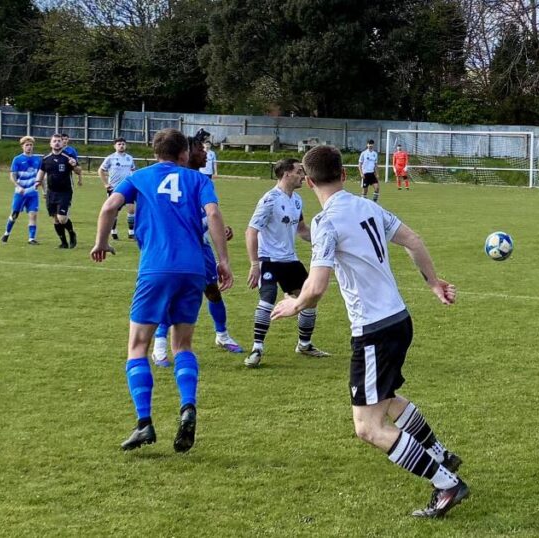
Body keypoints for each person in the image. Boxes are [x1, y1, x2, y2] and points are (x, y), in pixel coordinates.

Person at [271, 145, 468, 518]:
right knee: (388, 398)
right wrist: (432, 283)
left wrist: (292, 306)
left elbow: (315, 288)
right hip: (398, 319)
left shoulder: (324, 222)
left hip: (374, 329)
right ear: (345, 174)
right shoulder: (367, 205)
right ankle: (441, 455)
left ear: (309, 181)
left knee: (367, 426)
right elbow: (413, 240)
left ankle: (446, 483)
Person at [90, 128, 234, 452]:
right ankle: (187, 407)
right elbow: (212, 214)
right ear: (184, 154)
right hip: (193, 269)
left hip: (155, 268)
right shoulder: (199, 180)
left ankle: (144, 423)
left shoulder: (140, 177)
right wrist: (223, 261)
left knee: (138, 345)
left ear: (155, 152)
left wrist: (101, 243)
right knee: (183, 344)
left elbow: (109, 206)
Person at [152, 131, 243, 365]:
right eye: (201, 150)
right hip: (175, 248)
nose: (206, 154)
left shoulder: (203, 179)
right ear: (186, 152)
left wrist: (218, 231)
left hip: (201, 248)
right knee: (170, 293)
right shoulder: (174, 179)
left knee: (212, 291)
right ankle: (160, 344)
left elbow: (207, 214)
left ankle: (222, 335)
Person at [244, 158, 331, 367]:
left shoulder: (297, 199)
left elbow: (301, 230)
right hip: (269, 260)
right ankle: (257, 349)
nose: (303, 175)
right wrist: (255, 264)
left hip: (290, 259)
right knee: (268, 298)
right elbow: (251, 231)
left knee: (310, 299)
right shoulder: (269, 200)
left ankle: (304, 344)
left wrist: (325, 238)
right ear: (286, 174)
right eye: (299, 171)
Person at [37, 133, 82, 248]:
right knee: (56, 219)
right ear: (50, 143)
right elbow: (41, 172)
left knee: (62, 218)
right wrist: (37, 182)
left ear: (63, 143)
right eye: (54, 141)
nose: (57, 143)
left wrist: (75, 165)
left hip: (65, 191)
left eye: (59, 141)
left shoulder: (68, 157)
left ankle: (72, 233)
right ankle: (63, 243)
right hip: (51, 192)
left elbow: (78, 171)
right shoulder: (46, 159)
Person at [2, 136, 42, 245]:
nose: (29, 147)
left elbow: (41, 176)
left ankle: (31, 238)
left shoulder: (37, 160)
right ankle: (6, 233)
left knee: (33, 214)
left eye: (31, 145)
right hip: (20, 193)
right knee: (14, 214)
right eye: (27, 145)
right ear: (22, 146)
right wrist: (17, 186)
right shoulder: (17, 159)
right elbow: (12, 176)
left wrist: (44, 190)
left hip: (33, 193)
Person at [98, 137, 137, 240]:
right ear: (115, 146)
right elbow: (101, 171)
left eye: (123, 144)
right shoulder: (110, 158)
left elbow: (133, 170)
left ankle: (131, 232)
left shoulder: (129, 158)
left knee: (131, 209)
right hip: (115, 188)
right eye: (119, 144)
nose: (121, 146)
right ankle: (113, 231)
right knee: (114, 211)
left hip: (128, 187)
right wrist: (106, 184)